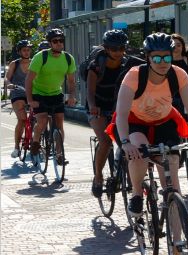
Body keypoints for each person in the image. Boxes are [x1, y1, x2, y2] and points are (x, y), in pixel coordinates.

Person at [109, 33, 188, 217]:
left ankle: (177, 242)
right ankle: (137, 194)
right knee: (138, 150)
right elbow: (121, 114)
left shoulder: (178, 74)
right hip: (134, 122)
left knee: (172, 179)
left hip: (164, 122)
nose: (162, 62)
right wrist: (125, 142)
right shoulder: (135, 75)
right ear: (148, 58)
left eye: (167, 57)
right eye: (156, 57)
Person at [88, 30, 139, 198]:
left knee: (130, 141)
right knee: (105, 142)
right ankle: (98, 176)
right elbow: (90, 92)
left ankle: (133, 180)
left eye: (121, 48)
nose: (118, 52)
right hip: (99, 105)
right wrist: (94, 106)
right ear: (106, 48)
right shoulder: (96, 66)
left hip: (119, 104)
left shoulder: (128, 65)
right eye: (113, 48)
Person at [25, 29, 77, 164]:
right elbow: (29, 80)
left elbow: (71, 81)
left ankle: (59, 155)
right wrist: (30, 100)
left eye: (61, 40)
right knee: (42, 121)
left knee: (59, 124)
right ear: (50, 43)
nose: (59, 43)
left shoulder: (68, 58)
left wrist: (71, 96)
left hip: (56, 94)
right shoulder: (41, 57)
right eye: (55, 41)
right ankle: (35, 143)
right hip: (39, 94)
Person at [4, 40, 32, 158]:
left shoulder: (34, 62)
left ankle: (36, 141)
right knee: (22, 119)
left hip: (32, 93)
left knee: (40, 117)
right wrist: (9, 84)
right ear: (19, 52)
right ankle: (16, 147)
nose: (27, 52)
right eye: (24, 50)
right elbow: (7, 79)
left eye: (28, 50)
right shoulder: (14, 64)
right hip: (18, 93)